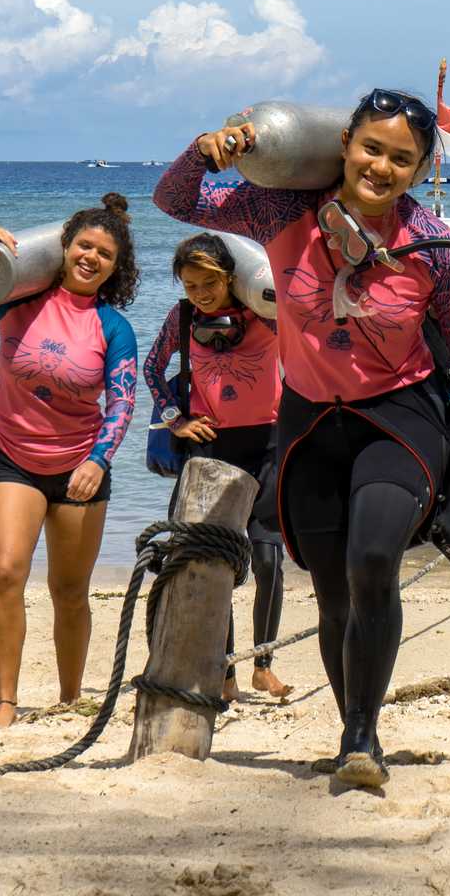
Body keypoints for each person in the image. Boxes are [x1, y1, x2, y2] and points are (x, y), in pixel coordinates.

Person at [153, 88, 450, 788]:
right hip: (309, 424)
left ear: (420, 171)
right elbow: (175, 201)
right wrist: (206, 150)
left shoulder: (431, 247)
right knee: (330, 591)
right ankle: (350, 723)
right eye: (372, 149)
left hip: (399, 417)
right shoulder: (281, 209)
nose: (382, 167)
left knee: (371, 559)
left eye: (402, 159)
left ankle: (363, 737)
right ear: (344, 146)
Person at [0, 194, 140, 730]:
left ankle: (70, 699)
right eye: (84, 246)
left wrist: (98, 459)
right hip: (11, 457)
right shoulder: (16, 301)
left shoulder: (114, 328)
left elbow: (124, 401)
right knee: (4, 574)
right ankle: (5, 702)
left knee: (69, 592)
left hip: (79, 469)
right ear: (64, 248)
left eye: (105, 254)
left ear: (116, 268)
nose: (91, 257)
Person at [144, 231, 291, 702]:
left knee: (268, 560)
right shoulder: (182, 318)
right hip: (210, 449)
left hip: (267, 445)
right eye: (190, 285)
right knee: (214, 563)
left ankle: (262, 665)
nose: (201, 293)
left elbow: (310, 348)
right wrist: (177, 419)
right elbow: (152, 369)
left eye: (209, 282)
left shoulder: (265, 313)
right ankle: (223, 672)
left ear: (230, 276)